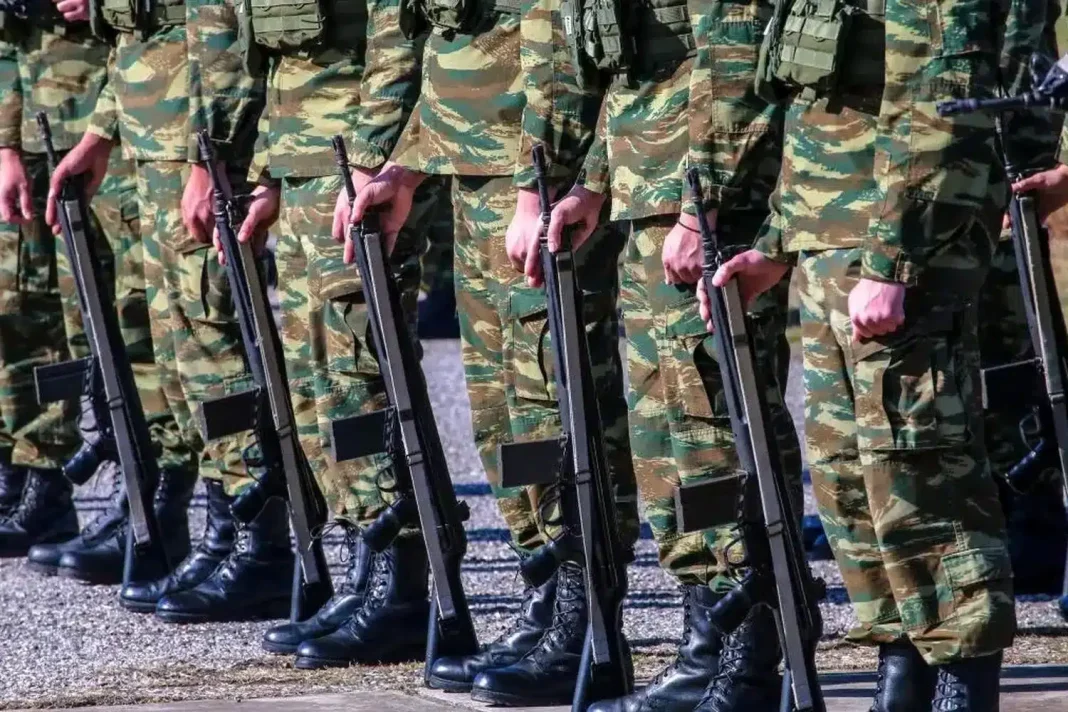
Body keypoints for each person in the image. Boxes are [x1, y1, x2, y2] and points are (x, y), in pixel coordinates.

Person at [699, 0, 1038, 707]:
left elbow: (940, 100)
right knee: (849, 478)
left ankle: (961, 680)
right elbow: (817, 112)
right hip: (830, 240)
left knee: (919, 473)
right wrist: (776, 243)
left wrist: (893, 260)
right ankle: (901, 663)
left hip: (901, 245)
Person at [342, 0, 639, 703]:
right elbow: (458, 43)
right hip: (480, 165)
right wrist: (404, 168)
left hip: (542, 170)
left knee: (551, 398)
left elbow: (558, 39)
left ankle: (586, 616)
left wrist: (545, 183)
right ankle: (545, 589)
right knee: (499, 410)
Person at [518, 1, 800, 709]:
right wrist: (595, 180)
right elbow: (641, 69)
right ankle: (705, 647)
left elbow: (735, 52)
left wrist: (701, 208)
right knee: (665, 444)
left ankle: (749, 657)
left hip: (707, 198)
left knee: (716, 433)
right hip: (650, 192)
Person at [186, 0, 448, 663]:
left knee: (360, 370)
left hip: (358, 157)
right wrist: (271, 172)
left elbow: (395, 34)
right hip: (305, 155)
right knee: (318, 383)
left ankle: (401, 586)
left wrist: (369, 155)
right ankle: (367, 568)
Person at [43, 0, 290, 619]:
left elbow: (219, 23)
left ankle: (260, 547)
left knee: (216, 349)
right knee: (183, 358)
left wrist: (211, 156)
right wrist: (101, 132)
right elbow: (138, 33)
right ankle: (222, 536)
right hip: (155, 137)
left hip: (198, 144)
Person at [0, 0, 199, 570]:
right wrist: (7, 141)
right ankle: (119, 500)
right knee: (76, 326)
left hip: (135, 122)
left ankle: (163, 511)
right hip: (59, 122)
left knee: (148, 326)